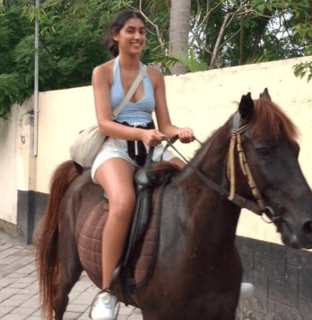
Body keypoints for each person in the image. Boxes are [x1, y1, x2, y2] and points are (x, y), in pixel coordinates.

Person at [89, 9, 194, 320]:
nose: (138, 37)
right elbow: (105, 123)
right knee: (123, 202)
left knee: (192, 188)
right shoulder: (103, 73)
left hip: (151, 150)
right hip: (116, 150)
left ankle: (208, 274)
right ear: (116, 35)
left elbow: (166, 124)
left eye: (142, 32)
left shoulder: (155, 75)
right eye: (131, 30)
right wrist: (141, 133)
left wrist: (180, 132)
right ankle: (107, 291)